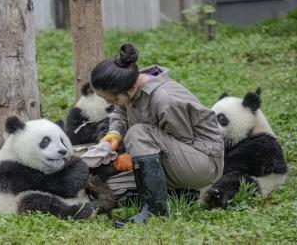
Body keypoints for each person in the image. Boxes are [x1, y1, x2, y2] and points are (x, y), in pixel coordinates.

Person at [90, 43, 224, 227]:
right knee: (108, 188)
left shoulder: (165, 99)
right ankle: (179, 194)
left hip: (201, 161)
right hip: (172, 158)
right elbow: (120, 112)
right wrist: (113, 135)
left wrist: (134, 157)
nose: (110, 103)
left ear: (128, 89)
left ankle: (155, 211)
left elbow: (182, 140)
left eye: (112, 99)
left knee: (138, 133)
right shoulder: (129, 85)